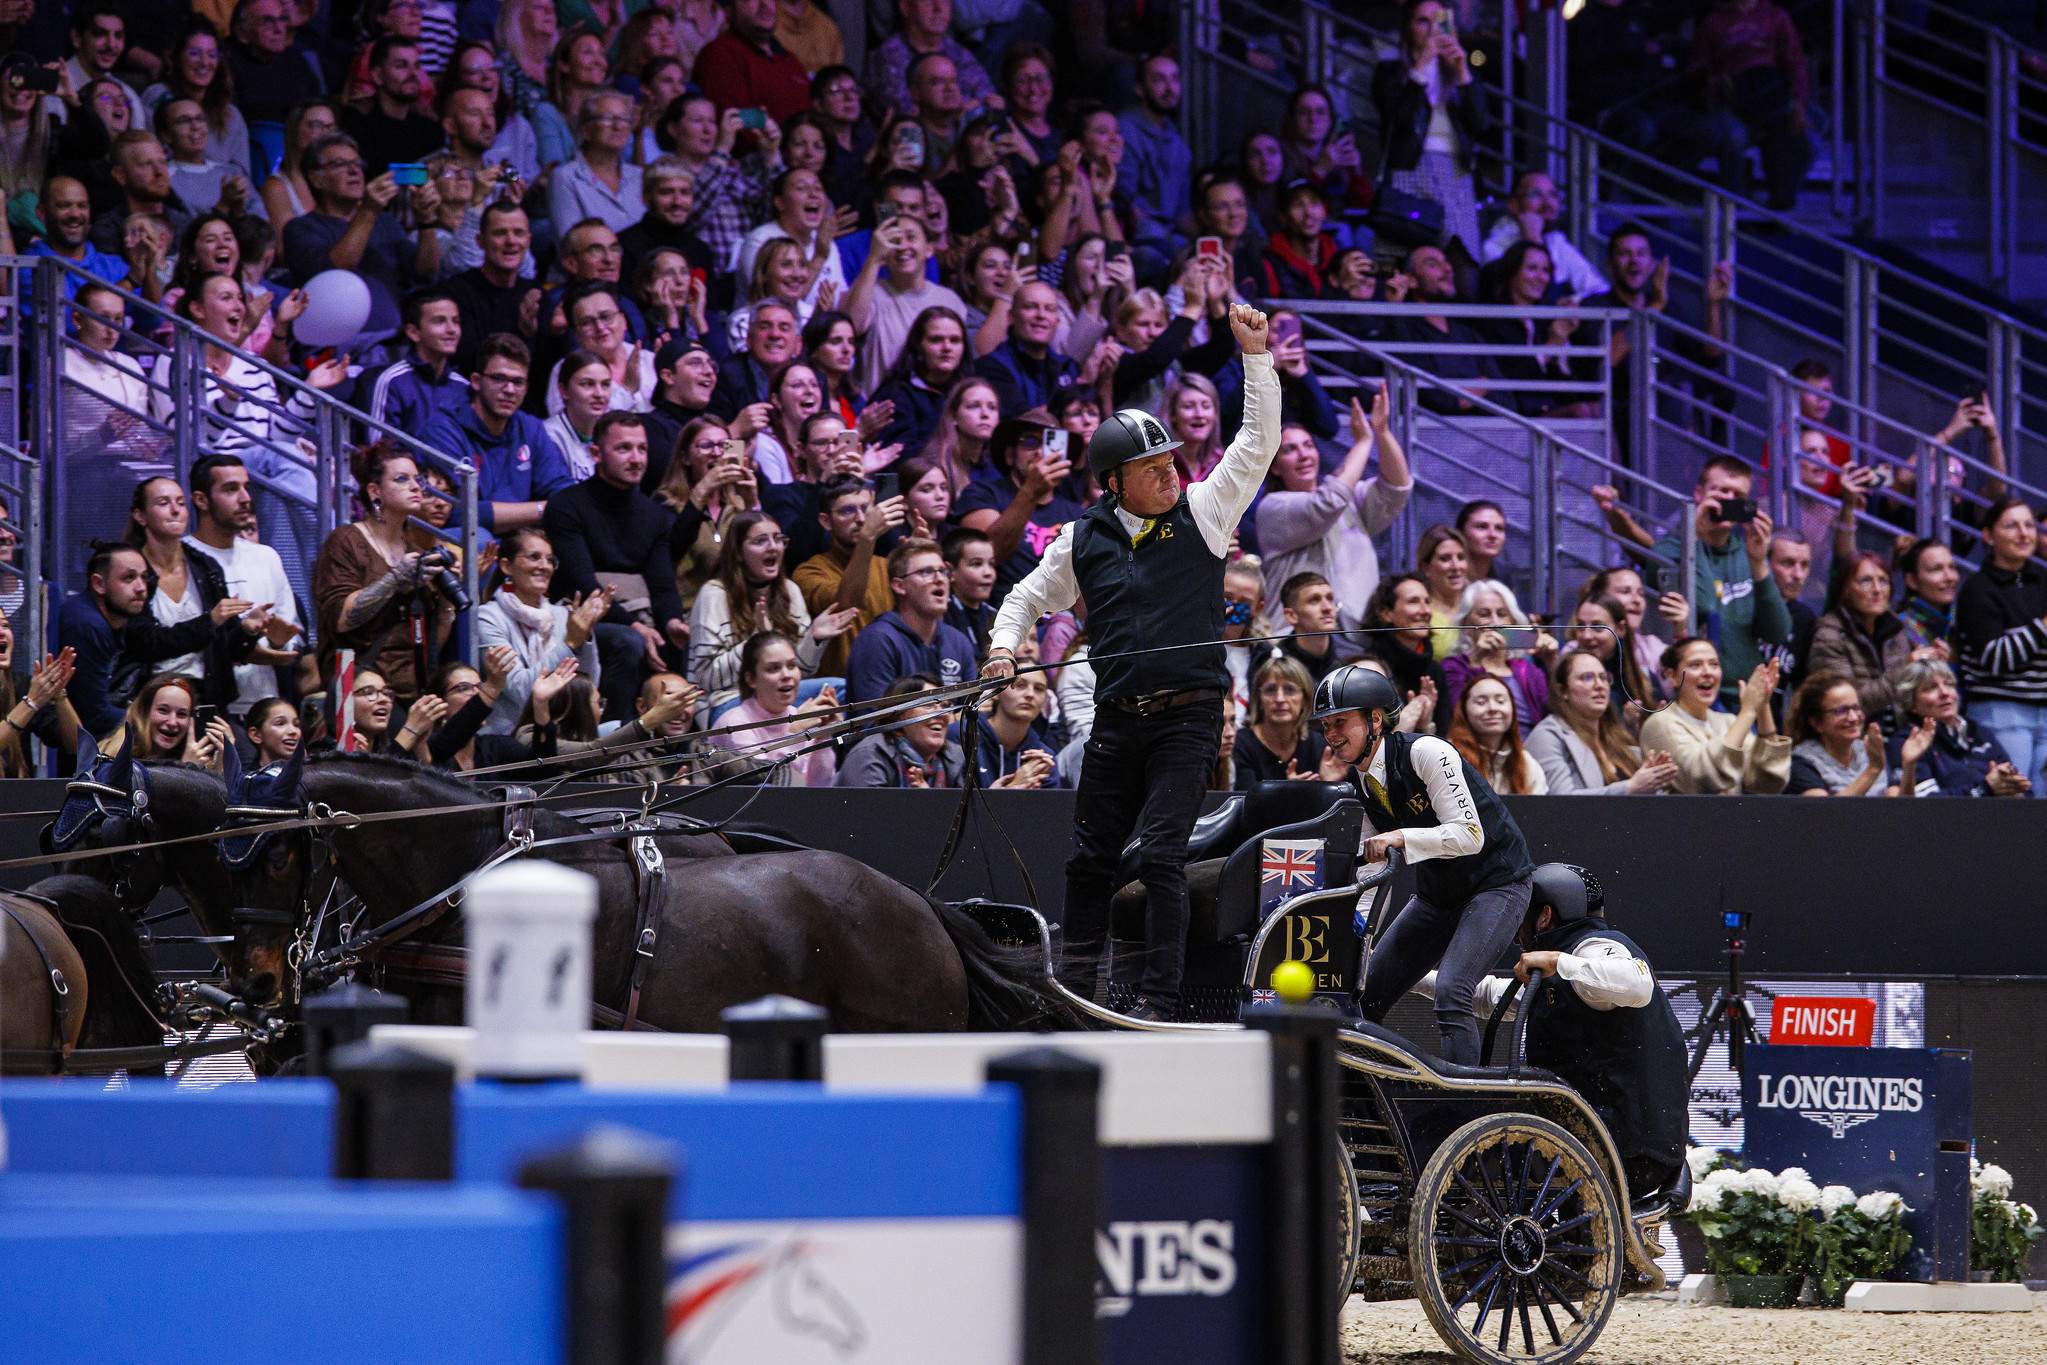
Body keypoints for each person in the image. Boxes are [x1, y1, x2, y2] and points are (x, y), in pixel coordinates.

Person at [982, 303, 1275, 1022]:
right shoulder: (1079, 541)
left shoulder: (1206, 511)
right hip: (1116, 718)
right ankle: (1076, 990)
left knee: (1163, 857)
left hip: (1189, 716)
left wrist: (1255, 358)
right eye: (1150, 467)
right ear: (1113, 481)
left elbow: (1258, 441)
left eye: (1168, 460)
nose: (1169, 473)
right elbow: (1021, 598)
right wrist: (999, 647)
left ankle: (1156, 1000)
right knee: (1088, 861)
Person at [1311, 662, 1536, 1065]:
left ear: (1375, 720)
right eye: (1325, 725)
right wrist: (1357, 942)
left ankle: (1466, 1108)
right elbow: (1367, 875)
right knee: (1363, 995)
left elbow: (1470, 835)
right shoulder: (1360, 784)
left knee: (1452, 993)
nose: (1330, 735)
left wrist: (1401, 837)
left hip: (1497, 885)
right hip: (1438, 897)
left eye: (1340, 722)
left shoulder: (1427, 752)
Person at [543, 413, 688, 721]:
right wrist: (636, 626)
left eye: (643, 449)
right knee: (629, 642)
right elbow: (582, 581)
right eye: (624, 449)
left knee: (680, 642)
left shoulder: (655, 515)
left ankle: (675, 750)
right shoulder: (566, 506)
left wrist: (673, 622)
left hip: (636, 612)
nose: (636, 459)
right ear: (595, 453)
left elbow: (662, 584)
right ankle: (613, 744)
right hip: (580, 615)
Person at [311, 442, 460, 704]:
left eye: (418, 479)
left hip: (413, 691)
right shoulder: (347, 541)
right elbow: (340, 618)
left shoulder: (416, 551)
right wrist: (394, 579)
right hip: (361, 691)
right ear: (374, 491)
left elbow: (430, 643)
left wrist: (447, 604)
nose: (416, 487)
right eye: (402, 479)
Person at [57, 541, 243, 741]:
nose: (141, 588)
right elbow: (94, 716)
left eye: (144, 578)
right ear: (99, 584)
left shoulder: (113, 619)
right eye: (129, 578)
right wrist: (155, 721)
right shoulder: (87, 625)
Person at [1645, 456, 1789, 709]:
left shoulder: (1747, 553)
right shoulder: (1667, 552)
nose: (1728, 500)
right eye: (1721, 491)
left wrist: (1758, 563)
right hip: (1695, 697)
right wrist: (1695, 536)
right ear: (1699, 494)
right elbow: (1705, 604)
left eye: (1738, 495)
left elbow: (1777, 631)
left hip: (1746, 697)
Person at [1255, 399, 1410, 634]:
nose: (1303, 455)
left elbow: (1397, 488)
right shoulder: (1273, 508)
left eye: (1308, 445)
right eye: (1290, 450)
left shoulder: (1349, 500)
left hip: (1357, 633)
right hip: (1294, 639)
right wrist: (1363, 442)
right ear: (1275, 467)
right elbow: (1328, 503)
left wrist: (1382, 432)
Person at [124, 476, 270, 719]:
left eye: (180, 503)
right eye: (163, 503)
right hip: (149, 700)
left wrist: (247, 630)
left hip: (205, 702)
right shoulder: (130, 569)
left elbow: (229, 649)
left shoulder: (205, 566)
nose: (175, 510)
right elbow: (143, 642)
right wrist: (209, 621)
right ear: (140, 516)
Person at [281, 132, 441, 351]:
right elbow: (335, 274)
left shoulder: (384, 222)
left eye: (358, 163)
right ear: (316, 178)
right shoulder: (300, 229)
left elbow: (427, 270)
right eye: (340, 164)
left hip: (391, 346)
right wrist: (368, 209)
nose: (354, 170)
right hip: (333, 351)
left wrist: (426, 222)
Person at [687, 508, 857, 712]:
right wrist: (759, 641)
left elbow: (801, 672)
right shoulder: (714, 594)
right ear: (739, 552)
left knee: (842, 691)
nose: (773, 547)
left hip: (779, 694)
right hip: (729, 699)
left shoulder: (790, 591)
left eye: (778, 539)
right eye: (760, 541)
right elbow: (707, 678)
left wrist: (814, 638)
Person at [185, 454, 306, 714]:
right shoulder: (183, 556)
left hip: (263, 707)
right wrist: (247, 641)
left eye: (247, 488)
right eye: (231, 489)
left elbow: (288, 639)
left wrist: (278, 641)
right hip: (202, 706)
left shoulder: (266, 556)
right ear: (201, 500)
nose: (245, 498)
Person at [420, 334, 576, 532]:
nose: (509, 390)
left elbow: (562, 491)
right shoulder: (443, 430)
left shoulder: (531, 427)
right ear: (476, 381)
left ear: (526, 388)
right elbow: (456, 511)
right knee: (480, 538)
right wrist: (542, 510)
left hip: (523, 539)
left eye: (518, 382)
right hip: (469, 541)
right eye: (499, 378)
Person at [1372, 0, 1488, 261]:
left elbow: (1481, 124)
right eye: (1423, 21)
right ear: (1408, 27)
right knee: (1408, 260)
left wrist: (1462, 71)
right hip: (1409, 171)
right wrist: (1420, 67)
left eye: (1439, 22)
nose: (1431, 30)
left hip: (1456, 173)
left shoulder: (1459, 73)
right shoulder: (1390, 71)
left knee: (1464, 262)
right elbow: (1401, 118)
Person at [1954, 496, 2047, 797]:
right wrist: (2043, 627)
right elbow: (1995, 658)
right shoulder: (1977, 589)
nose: (2023, 533)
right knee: (2010, 807)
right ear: (1988, 535)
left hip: (2045, 710)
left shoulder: (2043, 580)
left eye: (2029, 525)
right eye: (2011, 526)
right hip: (2001, 712)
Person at [474, 526, 606, 733]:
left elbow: (590, 687)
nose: (544, 566)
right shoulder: (487, 617)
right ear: (507, 566)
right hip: (512, 735)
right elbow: (522, 691)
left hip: (564, 729)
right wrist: (569, 643)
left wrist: (585, 637)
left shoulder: (563, 615)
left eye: (550, 560)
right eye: (534, 557)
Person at [954, 413, 1085, 599]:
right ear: (1010, 455)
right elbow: (987, 558)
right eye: (1030, 442)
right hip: (1002, 611)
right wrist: (1030, 491)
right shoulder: (982, 494)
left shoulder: (1078, 514)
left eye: (1051, 443)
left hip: (1060, 615)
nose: (1040, 452)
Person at [1638, 637, 1790, 794]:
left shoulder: (1728, 722)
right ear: (1672, 677)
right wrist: (1748, 712)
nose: (1708, 672)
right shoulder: (1660, 723)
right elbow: (1703, 778)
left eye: (1714, 664)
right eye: (1695, 665)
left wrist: (1762, 705)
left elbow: (1768, 781)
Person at [847, 214, 969, 396]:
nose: (903, 246)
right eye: (895, 241)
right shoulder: (871, 293)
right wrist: (873, 258)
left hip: (935, 406)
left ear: (929, 249)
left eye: (910, 237)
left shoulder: (950, 300)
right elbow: (852, 326)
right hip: (880, 408)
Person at [793, 474, 904, 675]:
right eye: (848, 511)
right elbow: (846, 607)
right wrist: (867, 538)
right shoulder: (809, 571)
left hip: (894, 679)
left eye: (865, 508)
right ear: (826, 521)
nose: (861, 519)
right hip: (840, 690)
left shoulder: (887, 566)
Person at [1527, 650, 1677, 796]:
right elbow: (1559, 801)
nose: (1599, 685)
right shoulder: (1547, 736)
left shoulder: (1615, 737)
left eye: (1603, 677)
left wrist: (1653, 781)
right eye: (1586, 677)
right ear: (1562, 691)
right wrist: (1630, 787)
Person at [845, 537, 977, 703]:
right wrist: (953, 718)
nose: (939, 579)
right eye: (926, 572)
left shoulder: (958, 641)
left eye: (943, 571)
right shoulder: (877, 640)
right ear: (899, 586)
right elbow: (874, 723)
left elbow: (973, 714)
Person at [1886, 658, 2031, 799]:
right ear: (1911, 704)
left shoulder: (1980, 733)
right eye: (1931, 688)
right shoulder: (1906, 741)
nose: (1944, 692)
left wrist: (2016, 790)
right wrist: (1984, 789)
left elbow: (2020, 788)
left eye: (1949, 684)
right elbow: (1924, 805)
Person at [708, 632, 839, 786]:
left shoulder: (800, 717)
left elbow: (820, 787)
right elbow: (771, 789)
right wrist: (795, 734)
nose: (786, 675)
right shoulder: (734, 724)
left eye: (792, 665)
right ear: (751, 679)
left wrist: (822, 737)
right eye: (774, 668)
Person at [1806, 551, 1913, 731]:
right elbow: (1846, 705)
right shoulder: (1829, 636)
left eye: (1883, 581)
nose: (1877, 589)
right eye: (1865, 581)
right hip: (1853, 741)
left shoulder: (1897, 631)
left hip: (1899, 736)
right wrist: (1905, 670)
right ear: (1846, 590)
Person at [1441, 580, 1553, 735]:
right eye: (1484, 615)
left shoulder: (1527, 670)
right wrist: (1476, 661)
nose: (1495, 622)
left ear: (1512, 622)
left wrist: (1551, 663)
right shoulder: (1454, 666)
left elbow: (1556, 715)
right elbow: (1457, 715)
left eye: (1502, 614)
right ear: (1466, 624)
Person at [443, 201, 541, 373]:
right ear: (480, 241)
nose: (511, 241)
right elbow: (467, 361)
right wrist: (521, 332)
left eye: (518, 233)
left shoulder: (535, 294)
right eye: (500, 233)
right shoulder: (456, 293)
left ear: (528, 240)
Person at [1478, 171, 1609, 297]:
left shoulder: (1555, 241)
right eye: (1535, 194)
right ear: (1514, 205)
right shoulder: (1494, 245)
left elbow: (1599, 289)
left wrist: (1573, 301)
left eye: (1553, 195)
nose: (1548, 203)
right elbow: (1530, 299)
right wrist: (1534, 241)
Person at [339, 35, 446, 178]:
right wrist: (421, 175)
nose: (413, 74)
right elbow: (368, 174)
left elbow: (438, 174)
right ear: (378, 76)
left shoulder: (429, 123)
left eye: (417, 66)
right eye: (401, 66)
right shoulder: (356, 118)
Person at [366, 288, 470, 433]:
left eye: (456, 321)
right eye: (439, 321)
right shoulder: (392, 381)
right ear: (413, 332)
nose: (452, 329)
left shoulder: (464, 387)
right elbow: (380, 448)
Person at [834, 672, 967, 786]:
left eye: (945, 705)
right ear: (898, 716)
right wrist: (927, 802)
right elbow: (870, 814)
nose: (942, 713)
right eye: (928, 704)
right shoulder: (869, 756)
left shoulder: (954, 757)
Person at [693, 0, 811, 125]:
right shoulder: (720, 54)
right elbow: (738, 122)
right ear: (728, 11)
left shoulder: (791, 61)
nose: (764, 3)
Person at [548, 89, 644, 234]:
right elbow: (570, 242)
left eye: (624, 119)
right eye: (607, 118)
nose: (618, 126)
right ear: (586, 130)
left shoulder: (640, 176)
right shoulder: (566, 177)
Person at [1363, 574, 1447, 734]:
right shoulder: (1370, 668)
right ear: (1386, 613)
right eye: (1413, 602)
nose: (1425, 611)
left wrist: (1426, 726)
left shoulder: (1435, 671)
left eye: (1427, 602)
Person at [1785, 672, 1891, 797]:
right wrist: (1873, 769)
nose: (1853, 717)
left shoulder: (1869, 750)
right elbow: (1824, 812)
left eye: (1856, 708)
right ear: (1817, 723)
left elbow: (1902, 807)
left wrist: (1909, 766)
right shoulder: (1801, 761)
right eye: (1841, 711)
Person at [1233, 654, 1329, 787]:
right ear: (1259, 699)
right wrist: (1286, 792)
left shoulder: (1318, 745)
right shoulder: (1240, 743)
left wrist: (1328, 783)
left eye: (1290, 690)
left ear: (1305, 700)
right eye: (1270, 690)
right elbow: (1244, 802)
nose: (1279, 699)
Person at [1447, 675, 1546, 795]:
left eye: (1500, 701)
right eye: (1481, 702)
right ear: (1464, 711)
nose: (1492, 708)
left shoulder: (1527, 764)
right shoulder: (1450, 758)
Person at [1896, 537, 1960, 660]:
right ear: (1912, 581)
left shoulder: (1960, 622)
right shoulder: (1898, 630)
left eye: (1952, 567)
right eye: (1936, 569)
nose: (1949, 577)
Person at [1276, 572, 1343, 685]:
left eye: (1330, 598)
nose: (1327, 608)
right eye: (1314, 600)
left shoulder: (1351, 656)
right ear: (1291, 615)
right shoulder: (1275, 662)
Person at [1415, 523, 1468, 661]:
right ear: (1426, 567)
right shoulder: (1420, 612)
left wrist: (1530, 635)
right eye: (1445, 559)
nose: (1456, 566)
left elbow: (1513, 649)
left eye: (1461, 557)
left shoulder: (1477, 603)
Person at [1455, 500, 1509, 587]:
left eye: (1499, 528)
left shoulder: (1503, 576)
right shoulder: (1447, 574)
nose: (1492, 535)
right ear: (1461, 533)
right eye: (1482, 527)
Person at [244, 695, 302, 765]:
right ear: (256, 735)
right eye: (280, 723)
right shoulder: (250, 776)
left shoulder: (307, 773)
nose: (293, 731)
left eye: (296, 725)